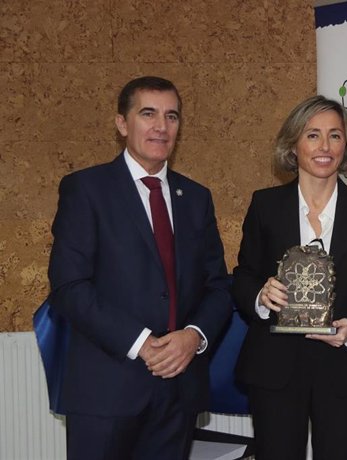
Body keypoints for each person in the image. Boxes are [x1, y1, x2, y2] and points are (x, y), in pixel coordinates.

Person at [48, 76, 232, 459]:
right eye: (148, 114)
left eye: (171, 116)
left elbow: (217, 286)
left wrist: (194, 336)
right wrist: (142, 343)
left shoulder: (196, 198)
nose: (161, 127)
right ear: (121, 124)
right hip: (105, 389)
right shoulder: (86, 189)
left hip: (178, 390)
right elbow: (69, 287)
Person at [231, 95, 347, 460]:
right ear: (293, 145)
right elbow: (243, 277)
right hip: (274, 367)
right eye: (313, 135)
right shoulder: (265, 206)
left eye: (335, 135)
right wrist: (260, 296)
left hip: (342, 367)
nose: (324, 146)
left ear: (345, 144)